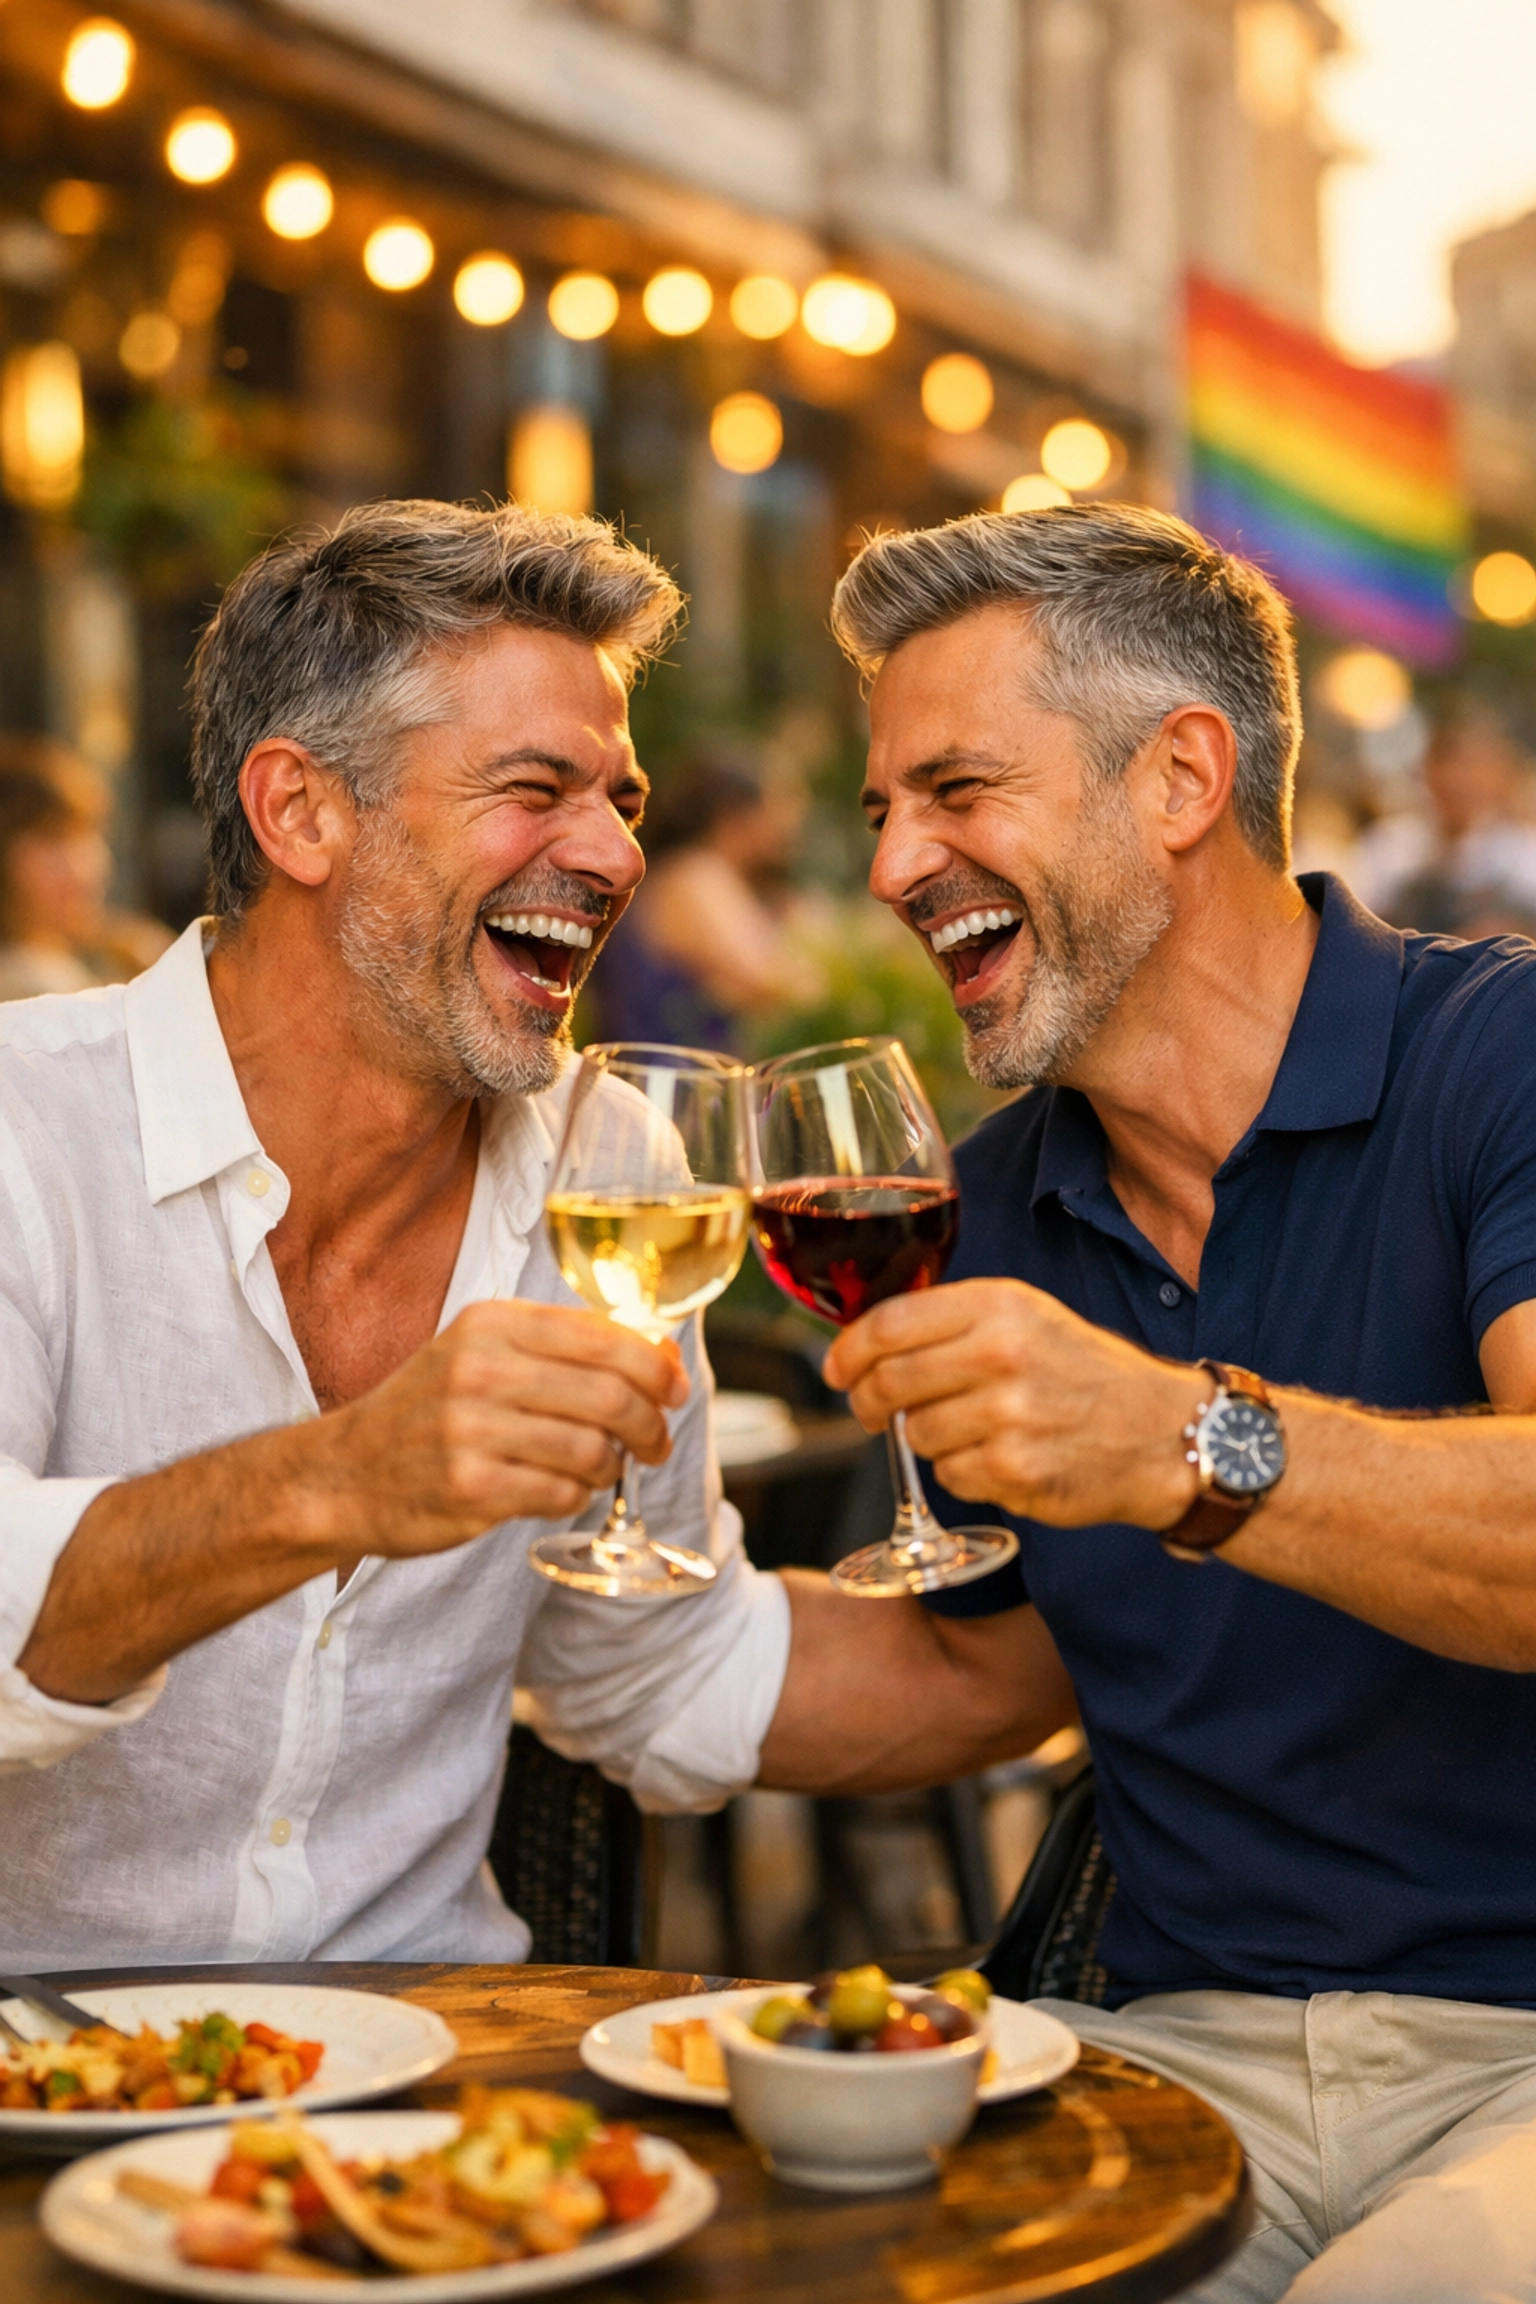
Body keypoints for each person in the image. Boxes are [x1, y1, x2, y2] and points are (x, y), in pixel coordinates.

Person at [755, 504, 1536, 2302]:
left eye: (956, 787)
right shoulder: (980, 1204)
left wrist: (1184, 1440)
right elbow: (982, 1670)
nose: (893, 862)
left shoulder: (1494, 1055)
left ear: (1180, 774)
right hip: (1168, 2052)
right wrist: (581, 1619)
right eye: (882, 808)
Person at [0, 500, 789, 1968]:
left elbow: (666, 1660)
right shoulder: (23, 1126)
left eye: (621, 798)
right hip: (46, 2101)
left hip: (443, 2101)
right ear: (300, 810)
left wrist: (1132, 1584)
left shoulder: (608, 1156)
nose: (614, 857)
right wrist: (345, 1478)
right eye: (538, 787)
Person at [590, 754, 821, 1052]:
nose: (791, 818)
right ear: (734, 814)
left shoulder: (697, 875)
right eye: (779, 801)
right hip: (670, 1085)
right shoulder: (694, 876)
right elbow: (768, 986)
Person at [0, 736, 171, 1001]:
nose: (90, 865)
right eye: (55, 840)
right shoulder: (28, 987)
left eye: (90, 835)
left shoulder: (72, 964)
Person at [1348, 703, 1536, 939]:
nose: (1458, 779)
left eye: (1473, 764)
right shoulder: (1389, 845)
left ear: (1501, 773)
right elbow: (1358, 927)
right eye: (1446, 762)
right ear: (1425, 769)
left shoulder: (1524, 855)